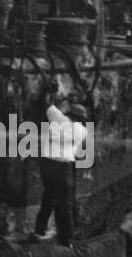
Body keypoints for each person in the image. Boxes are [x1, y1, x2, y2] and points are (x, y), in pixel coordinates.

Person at [32, 102, 89, 245]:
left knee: (48, 197)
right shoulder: (81, 131)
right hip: (63, 167)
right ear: (81, 119)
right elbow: (76, 152)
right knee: (66, 205)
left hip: (46, 165)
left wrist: (63, 105)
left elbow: (50, 107)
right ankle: (66, 241)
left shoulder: (56, 117)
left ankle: (39, 230)